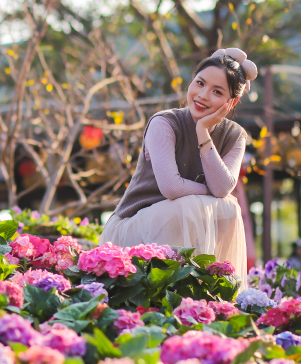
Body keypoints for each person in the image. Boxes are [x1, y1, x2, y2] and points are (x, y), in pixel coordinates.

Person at [100, 48, 258, 282]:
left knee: (227, 208)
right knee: (194, 205)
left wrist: (203, 131)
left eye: (217, 91)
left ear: (231, 102)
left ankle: (214, 286)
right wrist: (209, 191)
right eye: (200, 83)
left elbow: (224, 188)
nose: (203, 95)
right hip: (133, 228)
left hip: (182, 230)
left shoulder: (235, 136)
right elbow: (171, 188)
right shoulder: (164, 123)